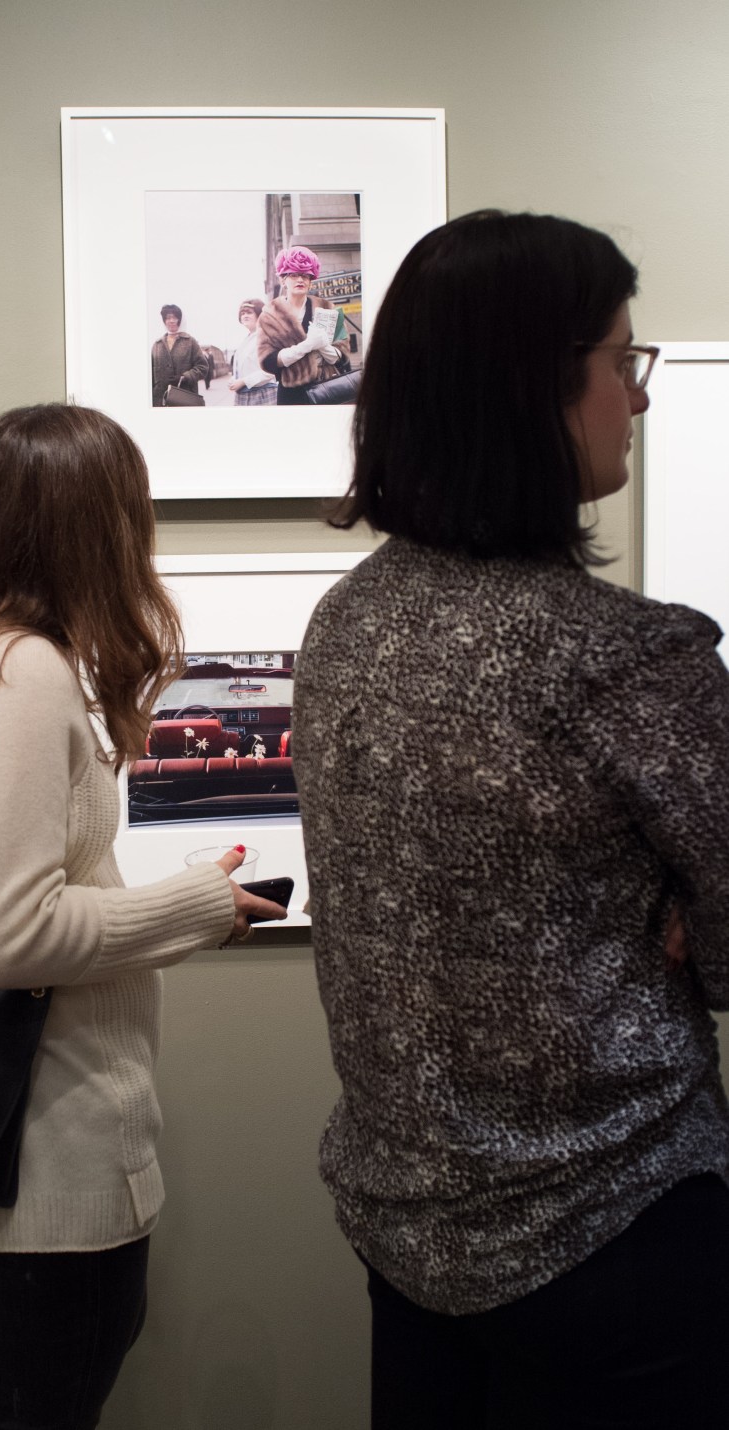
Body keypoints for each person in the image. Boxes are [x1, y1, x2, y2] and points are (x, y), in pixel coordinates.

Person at [293, 211, 729, 1429]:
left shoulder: (347, 626)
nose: (637, 397)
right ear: (533, 387)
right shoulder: (627, 659)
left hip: (407, 1234)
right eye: (619, 360)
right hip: (618, 1232)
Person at [0, 404, 285, 1430]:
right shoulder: (22, 676)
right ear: (95, 525)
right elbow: (5, 939)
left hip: (25, 1141)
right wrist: (196, 904)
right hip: (53, 1145)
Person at [256, 246, 349, 405]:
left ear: (310, 281)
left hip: (327, 389)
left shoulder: (327, 308)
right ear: (283, 280)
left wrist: (323, 345)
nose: (300, 280)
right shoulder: (269, 316)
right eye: (294, 275)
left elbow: (342, 356)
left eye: (305, 276)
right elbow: (269, 361)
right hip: (291, 394)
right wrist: (308, 345)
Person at [150, 304, 208, 406]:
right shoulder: (157, 345)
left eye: (175, 317)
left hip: (184, 397)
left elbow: (203, 367)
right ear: (164, 321)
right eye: (168, 318)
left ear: (180, 320)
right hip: (159, 401)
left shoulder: (190, 342)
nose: (171, 321)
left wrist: (184, 377)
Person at [227, 299, 277, 406]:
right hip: (244, 394)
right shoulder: (246, 340)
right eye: (242, 313)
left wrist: (244, 381)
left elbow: (271, 370)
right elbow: (245, 368)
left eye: (249, 313)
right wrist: (234, 379)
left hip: (262, 394)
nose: (245, 315)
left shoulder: (267, 337)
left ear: (260, 315)